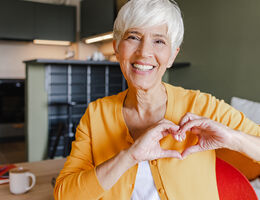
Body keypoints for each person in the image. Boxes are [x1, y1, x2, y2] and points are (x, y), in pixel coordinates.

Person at [54, 0, 260, 199]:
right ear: (117, 48)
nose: (144, 52)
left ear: (171, 56)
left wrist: (233, 138)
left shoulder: (203, 106)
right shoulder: (96, 115)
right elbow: (66, 195)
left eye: (159, 41)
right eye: (133, 37)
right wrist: (130, 156)